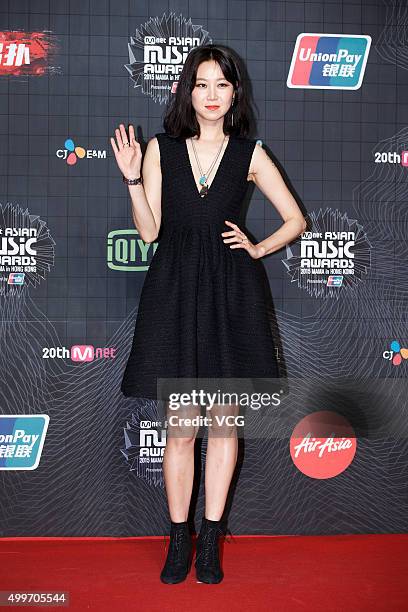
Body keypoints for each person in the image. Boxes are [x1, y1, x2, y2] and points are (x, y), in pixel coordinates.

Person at [110, 43, 306, 585]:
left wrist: (259, 247)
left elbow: (294, 220)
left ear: (234, 92)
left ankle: (212, 537)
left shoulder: (250, 154)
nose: (212, 95)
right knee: (180, 428)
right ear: (187, 92)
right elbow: (150, 232)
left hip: (229, 294)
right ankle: (179, 539)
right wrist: (131, 177)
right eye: (201, 84)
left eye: (222, 84)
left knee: (222, 425)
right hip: (173, 292)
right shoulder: (162, 149)